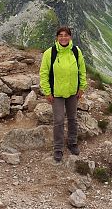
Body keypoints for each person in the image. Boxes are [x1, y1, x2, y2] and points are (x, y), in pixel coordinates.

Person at [39, 27, 87, 163]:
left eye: (66, 35)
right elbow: (43, 73)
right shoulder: (50, 53)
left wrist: (82, 87)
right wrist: (47, 92)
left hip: (73, 91)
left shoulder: (76, 52)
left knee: (73, 118)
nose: (63, 38)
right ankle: (58, 148)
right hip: (57, 93)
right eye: (60, 35)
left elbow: (82, 70)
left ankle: (72, 143)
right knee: (59, 120)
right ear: (57, 38)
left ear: (70, 37)